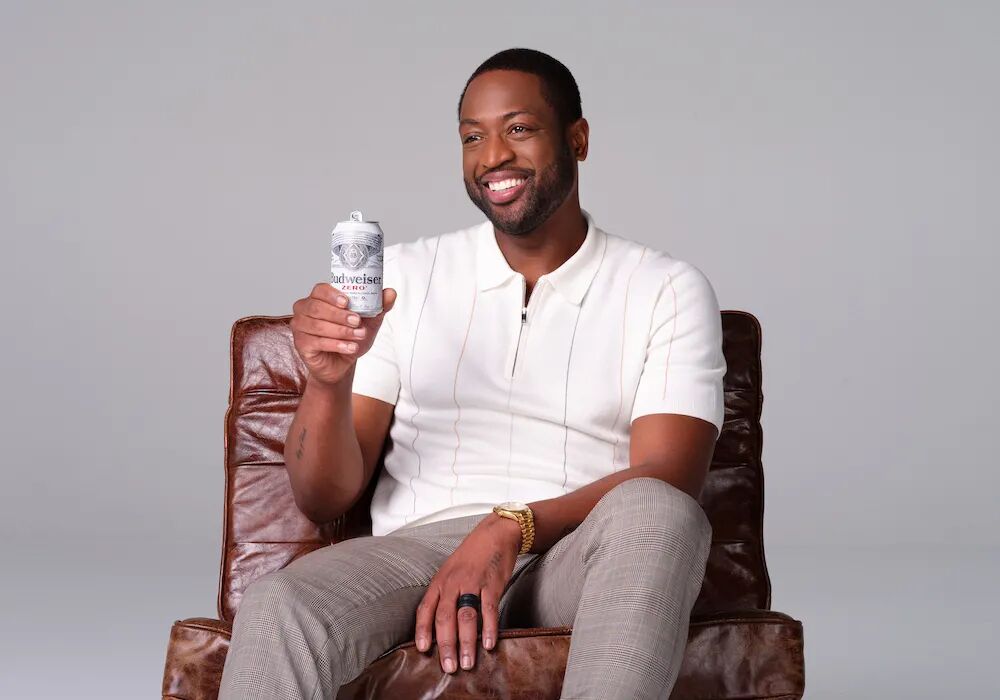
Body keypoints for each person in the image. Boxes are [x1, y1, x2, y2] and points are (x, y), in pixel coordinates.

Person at [219, 47, 726, 700]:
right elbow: (324, 498)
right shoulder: (405, 277)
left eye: (519, 128)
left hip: (578, 553)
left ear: (577, 139)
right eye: (472, 137)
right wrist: (328, 381)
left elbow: (669, 475)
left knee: (659, 512)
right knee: (279, 605)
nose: (493, 157)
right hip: (417, 554)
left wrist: (511, 526)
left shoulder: (666, 288)